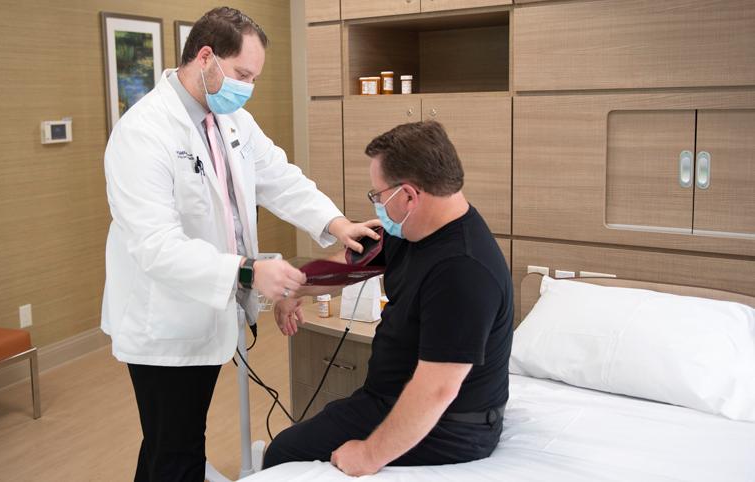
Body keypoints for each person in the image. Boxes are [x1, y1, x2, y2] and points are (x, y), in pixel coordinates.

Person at [101, 7, 379, 482]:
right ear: (205, 56)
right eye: (242, 74)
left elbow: (280, 178)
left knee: (171, 441)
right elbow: (157, 246)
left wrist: (336, 223)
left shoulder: (232, 122)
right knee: (178, 448)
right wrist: (248, 271)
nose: (248, 86)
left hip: (205, 310)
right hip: (162, 322)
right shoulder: (143, 132)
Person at [264, 120, 514, 476]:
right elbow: (350, 266)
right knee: (298, 440)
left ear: (410, 195)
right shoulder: (416, 228)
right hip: (387, 397)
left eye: (378, 195)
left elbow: (438, 390)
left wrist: (367, 456)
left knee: (283, 454)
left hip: (452, 427)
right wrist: (294, 289)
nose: (377, 203)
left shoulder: (463, 271)